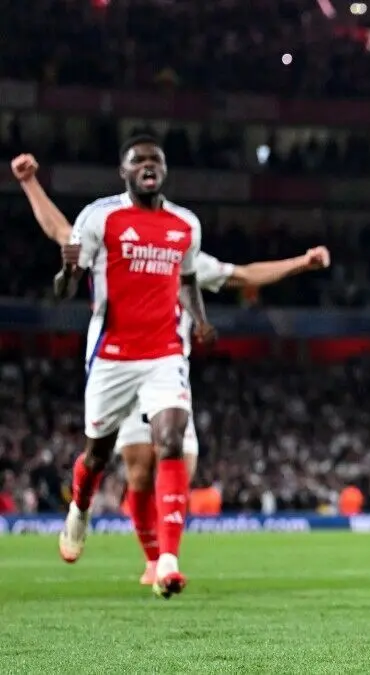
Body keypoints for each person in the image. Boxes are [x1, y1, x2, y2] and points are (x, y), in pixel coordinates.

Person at [13, 152, 332, 587]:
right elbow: (62, 233)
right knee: (131, 467)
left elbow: (243, 275)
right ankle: (151, 555)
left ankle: (164, 558)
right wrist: (30, 184)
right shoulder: (110, 232)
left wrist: (302, 263)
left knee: (179, 461)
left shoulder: (183, 251)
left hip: (167, 371)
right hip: (120, 363)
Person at [39, 135, 216, 600]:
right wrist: (66, 270)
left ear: (165, 170)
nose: (147, 165)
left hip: (164, 354)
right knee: (97, 455)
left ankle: (167, 562)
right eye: (138, 160)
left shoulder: (185, 224)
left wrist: (199, 320)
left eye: (155, 159)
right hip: (112, 357)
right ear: (124, 171)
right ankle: (80, 509)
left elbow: (188, 280)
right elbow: (63, 292)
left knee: (171, 439)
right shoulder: (100, 217)